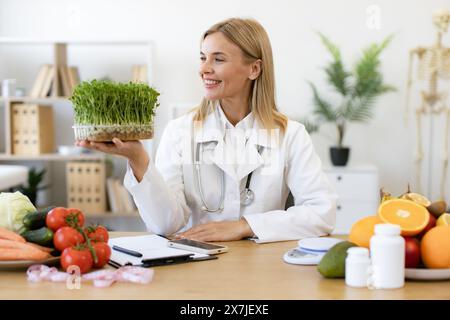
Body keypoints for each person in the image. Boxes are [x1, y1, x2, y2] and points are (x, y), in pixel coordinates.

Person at [77, 18, 337, 243]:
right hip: (196, 263)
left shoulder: (290, 134)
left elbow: (321, 213)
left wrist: (244, 226)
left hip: (263, 265)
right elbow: (166, 225)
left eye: (218, 59)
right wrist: (138, 159)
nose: (204, 69)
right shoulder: (180, 132)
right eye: (203, 58)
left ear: (254, 69)